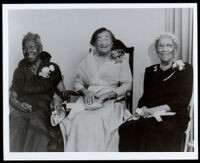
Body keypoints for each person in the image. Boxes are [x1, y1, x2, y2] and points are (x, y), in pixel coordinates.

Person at [58, 27, 133, 152]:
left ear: (112, 42)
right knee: (78, 119)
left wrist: (110, 95)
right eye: (99, 39)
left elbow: (127, 85)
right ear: (94, 43)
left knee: (95, 119)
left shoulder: (120, 60)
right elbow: (78, 82)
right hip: (89, 99)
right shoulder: (88, 60)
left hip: (112, 101)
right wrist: (86, 91)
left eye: (106, 38)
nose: (103, 42)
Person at [118, 33, 193, 152]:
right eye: (161, 46)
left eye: (169, 46)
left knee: (150, 127)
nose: (164, 49)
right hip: (150, 115)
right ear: (156, 50)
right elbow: (145, 98)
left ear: (174, 49)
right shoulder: (150, 71)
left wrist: (153, 110)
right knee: (126, 127)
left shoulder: (185, 69)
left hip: (175, 115)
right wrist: (140, 111)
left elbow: (182, 100)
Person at [9, 32, 66, 152]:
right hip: (24, 108)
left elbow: (64, 93)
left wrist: (57, 98)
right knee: (16, 119)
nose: (28, 50)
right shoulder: (19, 71)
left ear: (40, 49)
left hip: (44, 108)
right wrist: (18, 104)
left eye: (32, 47)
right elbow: (13, 95)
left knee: (36, 122)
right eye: (24, 48)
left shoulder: (52, 67)